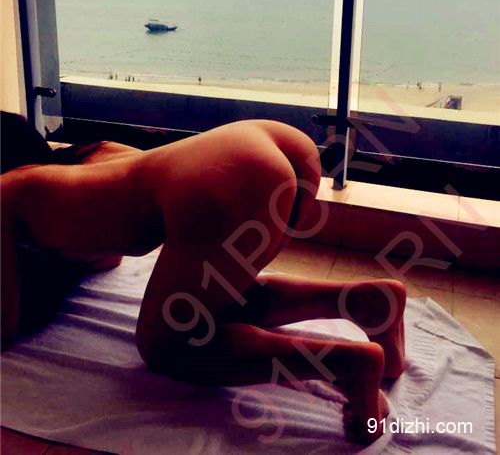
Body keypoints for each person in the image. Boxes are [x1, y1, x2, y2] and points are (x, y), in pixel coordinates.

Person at [1, 112, 406, 444]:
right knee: (221, 299)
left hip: (230, 176)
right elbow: (109, 256)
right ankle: (367, 302)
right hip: (264, 141)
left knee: (165, 345)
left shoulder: (8, 191)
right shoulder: (95, 154)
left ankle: (343, 364)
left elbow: (6, 324)